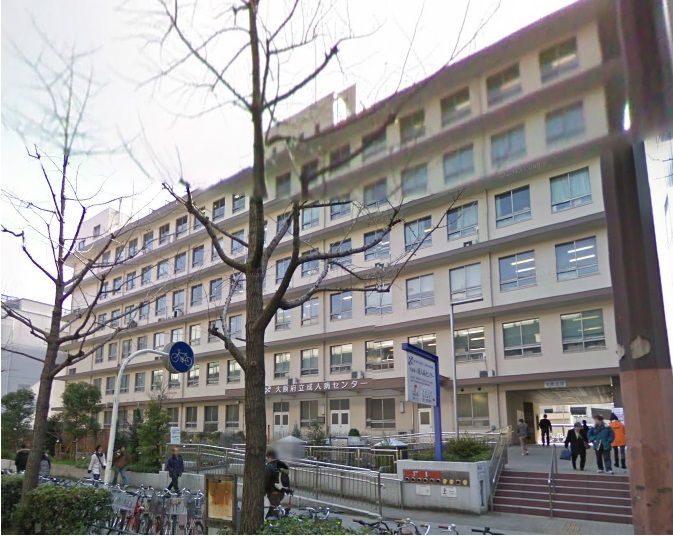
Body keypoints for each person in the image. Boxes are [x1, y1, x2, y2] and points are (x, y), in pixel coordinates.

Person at [263, 448, 291, 518]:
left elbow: (266, 480)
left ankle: (277, 521)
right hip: (282, 491)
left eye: (267, 458)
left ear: (269, 457)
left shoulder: (269, 466)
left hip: (273, 492)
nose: (266, 459)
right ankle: (271, 519)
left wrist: (263, 492)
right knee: (274, 508)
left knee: (274, 510)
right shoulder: (282, 464)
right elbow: (286, 478)